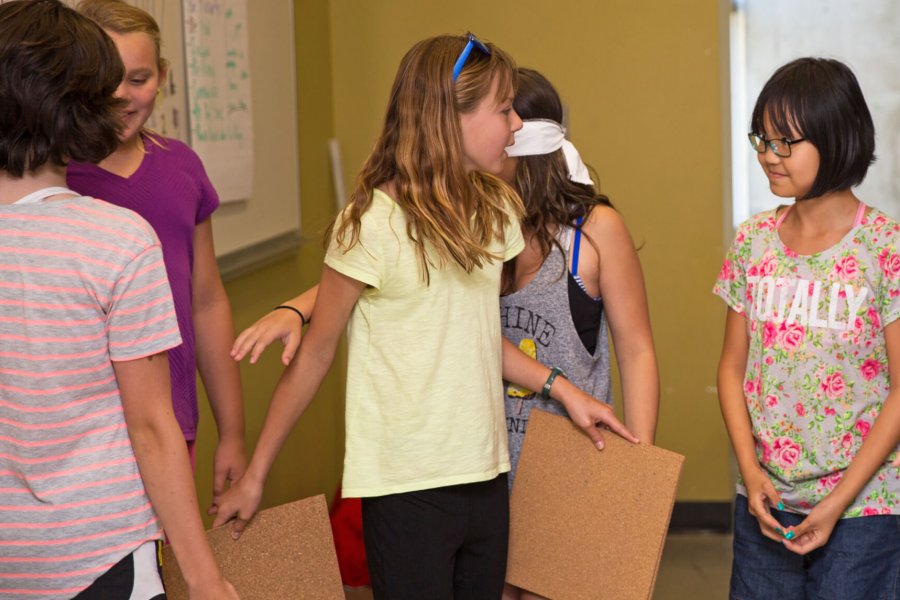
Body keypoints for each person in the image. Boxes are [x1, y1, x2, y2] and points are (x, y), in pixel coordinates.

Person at [213, 33, 637, 599]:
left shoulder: (495, 211)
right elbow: (315, 357)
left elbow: (478, 339)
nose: (516, 126)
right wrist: (257, 472)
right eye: (504, 109)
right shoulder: (370, 224)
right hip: (407, 490)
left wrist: (563, 389)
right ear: (448, 116)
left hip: (487, 480)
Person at [0, 1, 238, 598]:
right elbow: (151, 427)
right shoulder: (117, 239)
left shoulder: (172, 176)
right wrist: (206, 579)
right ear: (81, 106)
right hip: (100, 549)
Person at [714, 57, 900, 600]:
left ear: (837, 138)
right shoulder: (753, 242)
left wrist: (837, 501)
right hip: (766, 503)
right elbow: (730, 368)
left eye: (785, 143)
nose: (767, 156)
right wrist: (751, 474)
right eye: (761, 139)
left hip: (864, 509)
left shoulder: (885, 250)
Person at [68, 0, 246, 504]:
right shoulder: (50, 176)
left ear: (162, 75)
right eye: (102, 79)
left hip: (171, 424)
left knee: (163, 568)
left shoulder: (181, 167)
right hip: (83, 437)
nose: (120, 96)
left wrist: (232, 433)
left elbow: (207, 301)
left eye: (138, 79)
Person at [498, 68, 659, 599]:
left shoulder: (593, 231)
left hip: (571, 472)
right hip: (484, 471)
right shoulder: (474, 228)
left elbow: (636, 352)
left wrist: (638, 475)